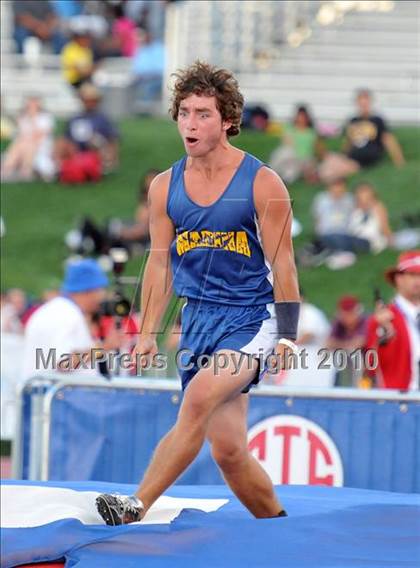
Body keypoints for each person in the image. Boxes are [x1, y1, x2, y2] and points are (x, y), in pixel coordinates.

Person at [96, 60, 300, 524]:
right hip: (199, 320)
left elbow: (283, 261)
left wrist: (286, 335)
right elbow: (160, 261)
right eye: (185, 112)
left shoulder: (263, 182)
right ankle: (277, 526)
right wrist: (147, 331)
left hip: (251, 317)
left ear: (227, 120)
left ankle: (136, 504)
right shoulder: (165, 186)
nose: (190, 122)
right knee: (228, 450)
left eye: (203, 113)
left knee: (196, 401)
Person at [22, 258, 122, 379]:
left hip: (50, 392)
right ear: (89, 290)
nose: (102, 296)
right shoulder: (65, 314)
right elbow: (64, 362)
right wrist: (105, 347)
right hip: (53, 395)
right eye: (100, 289)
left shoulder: (61, 309)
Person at [318, 89, 405, 183]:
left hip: (367, 161)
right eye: (361, 101)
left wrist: (399, 161)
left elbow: (388, 140)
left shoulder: (377, 120)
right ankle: (325, 173)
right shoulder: (353, 120)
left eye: (366, 100)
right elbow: (348, 142)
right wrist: (342, 155)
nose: (363, 104)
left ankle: (324, 175)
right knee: (330, 158)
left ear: (370, 102)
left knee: (327, 172)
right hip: (352, 158)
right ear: (357, 103)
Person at [365, 251, 420, 390]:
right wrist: (383, 333)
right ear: (398, 278)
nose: (418, 281)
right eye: (413, 275)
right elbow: (370, 367)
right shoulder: (384, 318)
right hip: (398, 402)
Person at [54, 83, 119, 179]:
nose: (89, 103)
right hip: (75, 151)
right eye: (86, 100)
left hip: (96, 151)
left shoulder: (103, 119)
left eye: (92, 100)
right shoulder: (74, 118)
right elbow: (66, 137)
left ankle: (98, 168)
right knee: (61, 142)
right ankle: (60, 168)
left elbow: (112, 140)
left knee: (96, 140)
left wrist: (110, 156)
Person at [1, 96, 55, 182]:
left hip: (39, 144)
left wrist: (32, 119)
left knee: (27, 144)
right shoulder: (23, 117)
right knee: (21, 144)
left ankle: (25, 170)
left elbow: (39, 135)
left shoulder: (45, 118)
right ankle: (7, 168)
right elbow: (21, 134)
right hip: (24, 144)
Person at [269, 105, 322, 184]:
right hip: (289, 155)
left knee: (291, 172)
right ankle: (270, 172)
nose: (301, 119)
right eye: (299, 116)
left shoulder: (311, 133)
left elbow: (317, 149)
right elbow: (287, 143)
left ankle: (282, 181)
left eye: (303, 117)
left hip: (302, 160)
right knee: (285, 152)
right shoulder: (289, 128)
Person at [326, 295, 367, 387]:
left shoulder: (365, 321)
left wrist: (339, 344)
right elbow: (328, 343)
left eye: (350, 313)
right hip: (346, 360)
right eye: (345, 314)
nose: (347, 317)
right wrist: (347, 345)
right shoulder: (338, 323)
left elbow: (359, 343)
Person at [348, 182, 393, 254]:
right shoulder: (354, 210)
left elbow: (385, 227)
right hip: (356, 239)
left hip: (371, 242)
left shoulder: (377, 207)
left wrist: (391, 242)